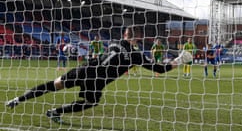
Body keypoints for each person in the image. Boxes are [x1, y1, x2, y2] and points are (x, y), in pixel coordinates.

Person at [6, 25, 192, 123]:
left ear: (124, 35)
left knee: (53, 85)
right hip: (97, 81)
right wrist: (178, 60)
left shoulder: (112, 42)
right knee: (91, 102)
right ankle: (55, 111)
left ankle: (17, 99)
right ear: (137, 38)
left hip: (85, 69)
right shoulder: (136, 55)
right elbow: (159, 69)